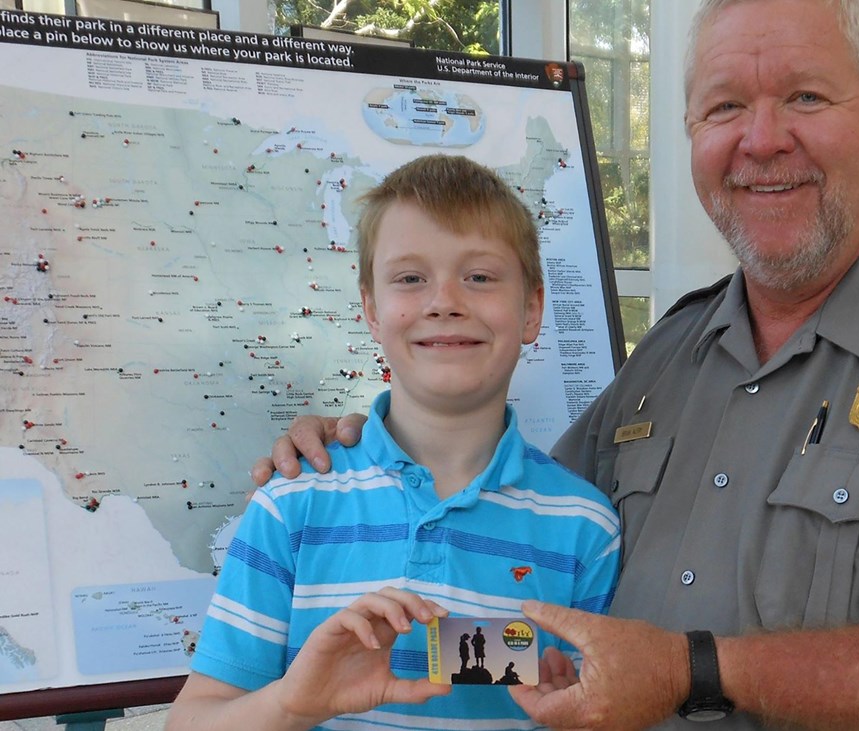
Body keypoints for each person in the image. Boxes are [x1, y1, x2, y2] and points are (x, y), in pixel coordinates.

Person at [254, 1, 859, 728]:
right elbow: (517, 549)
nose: (762, 140)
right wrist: (365, 448)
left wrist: (693, 668)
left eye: (805, 97)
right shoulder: (670, 355)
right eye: (726, 108)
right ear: (695, 134)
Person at [168, 155, 621, 731]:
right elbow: (192, 721)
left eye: (479, 276)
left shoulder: (584, 527)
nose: (444, 301)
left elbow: (589, 709)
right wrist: (292, 703)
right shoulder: (293, 505)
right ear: (372, 311)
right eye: (410, 278)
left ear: (531, 309)